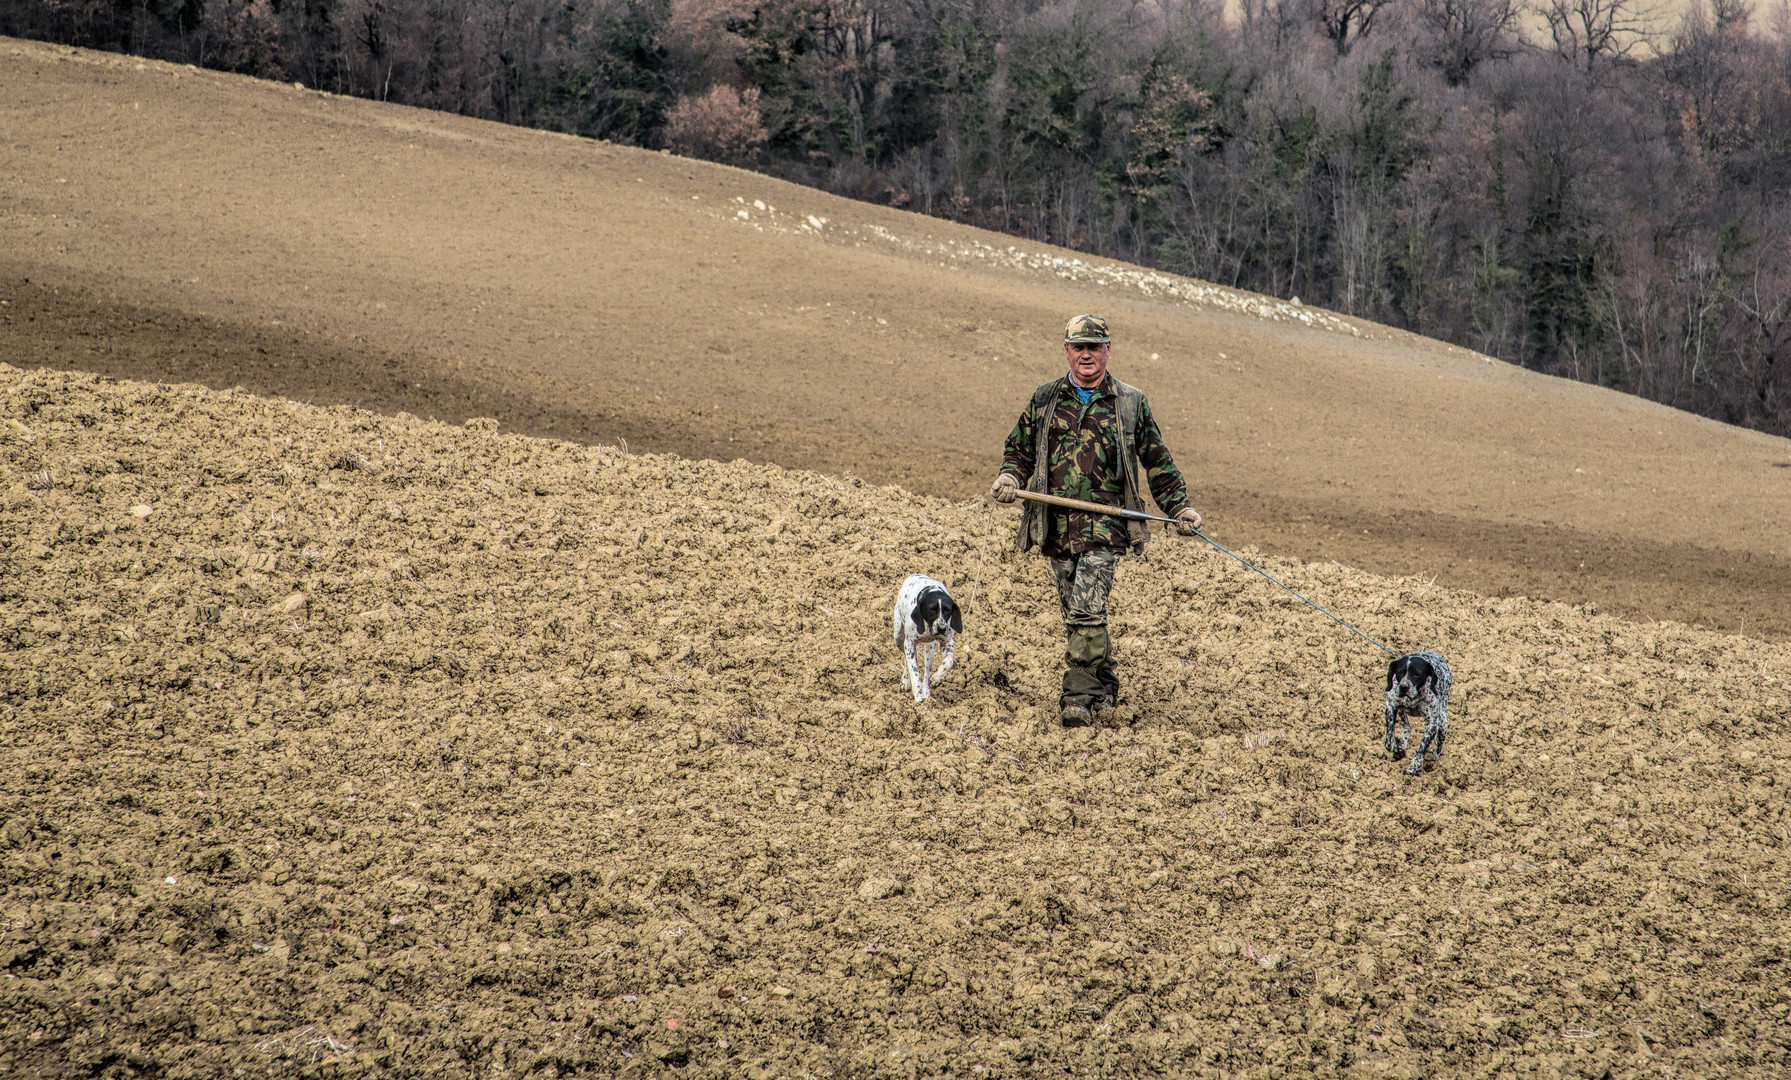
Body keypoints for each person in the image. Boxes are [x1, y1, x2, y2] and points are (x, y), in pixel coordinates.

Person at [989, 314, 1202, 725]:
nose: (1086, 355)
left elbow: (1157, 460)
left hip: (1106, 527)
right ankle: (1104, 681)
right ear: (1066, 350)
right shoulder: (1045, 398)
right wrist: (1009, 476)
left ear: (1108, 350)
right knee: (1075, 611)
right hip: (1054, 524)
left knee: (1086, 609)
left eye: (1094, 346)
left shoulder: (1130, 402)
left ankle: (1078, 697)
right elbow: (1017, 448)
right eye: (1078, 347)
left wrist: (1179, 508)